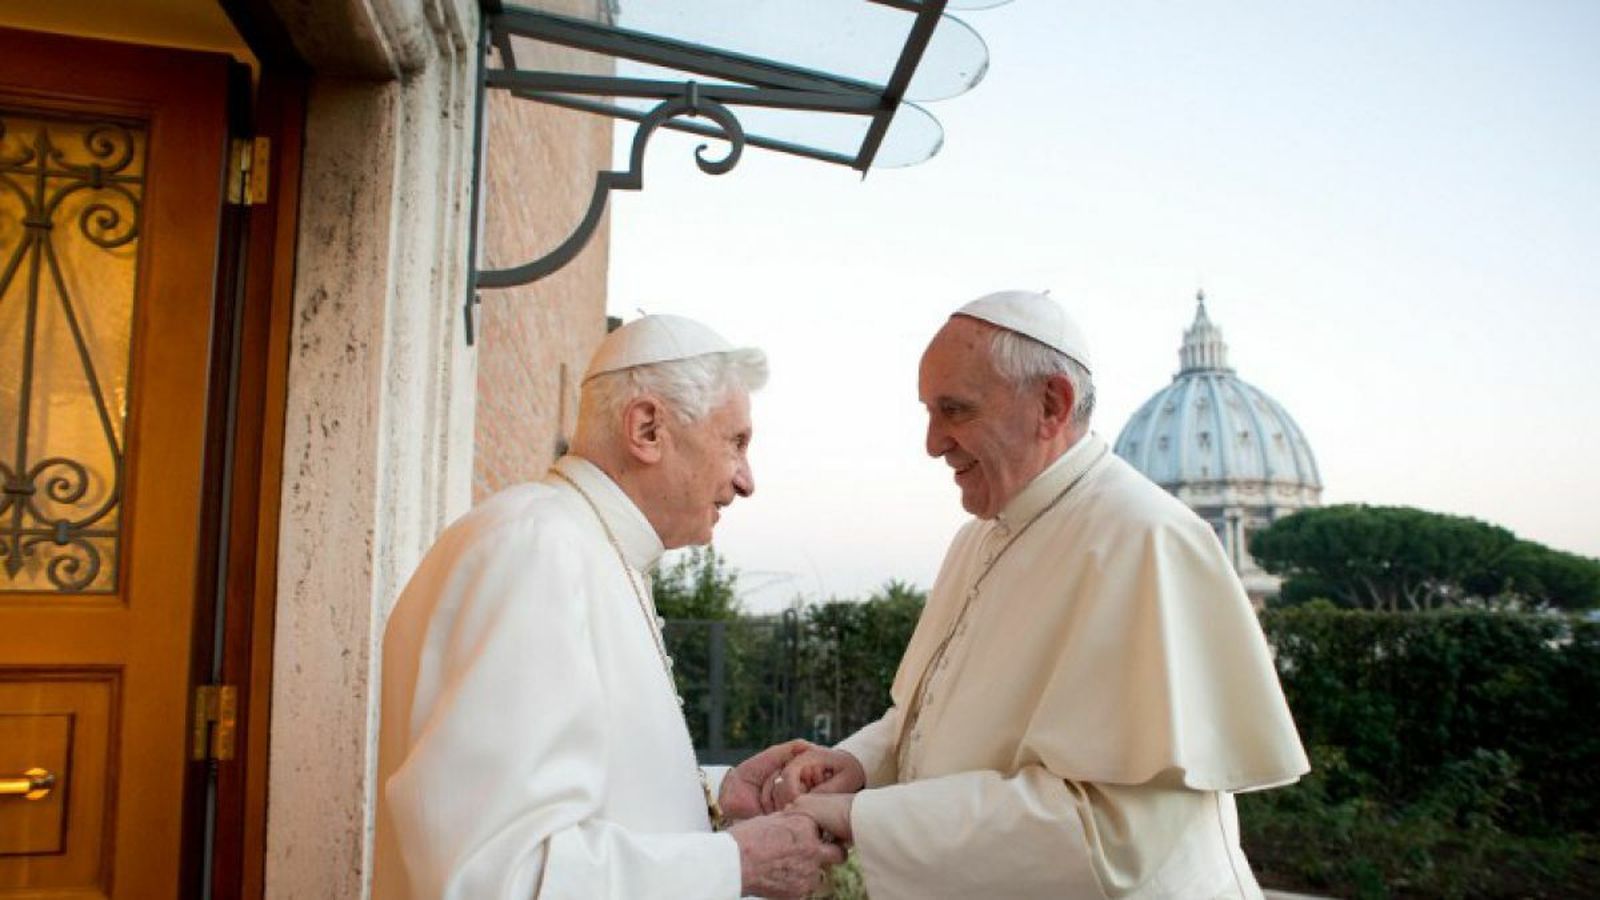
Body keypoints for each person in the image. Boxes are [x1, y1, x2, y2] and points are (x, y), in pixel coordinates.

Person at [762, 290, 1310, 898]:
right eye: (929, 412)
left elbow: (1106, 831)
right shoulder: (978, 539)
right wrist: (860, 764)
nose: (932, 441)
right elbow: (927, 719)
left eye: (955, 410)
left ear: (1051, 403)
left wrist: (858, 819)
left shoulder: (1143, 539)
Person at [372, 315, 843, 899]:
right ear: (647, 428)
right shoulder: (538, 550)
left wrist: (716, 797)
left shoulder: (584, 547)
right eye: (736, 443)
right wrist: (733, 866)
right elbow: (496, 875)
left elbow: (587, 797)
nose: (747, 480)